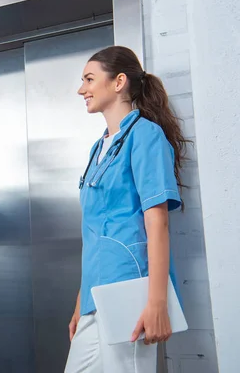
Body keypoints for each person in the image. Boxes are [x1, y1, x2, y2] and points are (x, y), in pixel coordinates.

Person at [65, 45, 189, 372]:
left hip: (130, 292)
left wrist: (157, 301)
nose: (82, 89)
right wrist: (81, 303)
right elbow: (95, 232)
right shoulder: (99, 147)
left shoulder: (145, 136)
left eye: (89, 79)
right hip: (95, 296)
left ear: (118, 82)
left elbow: (157, 224)